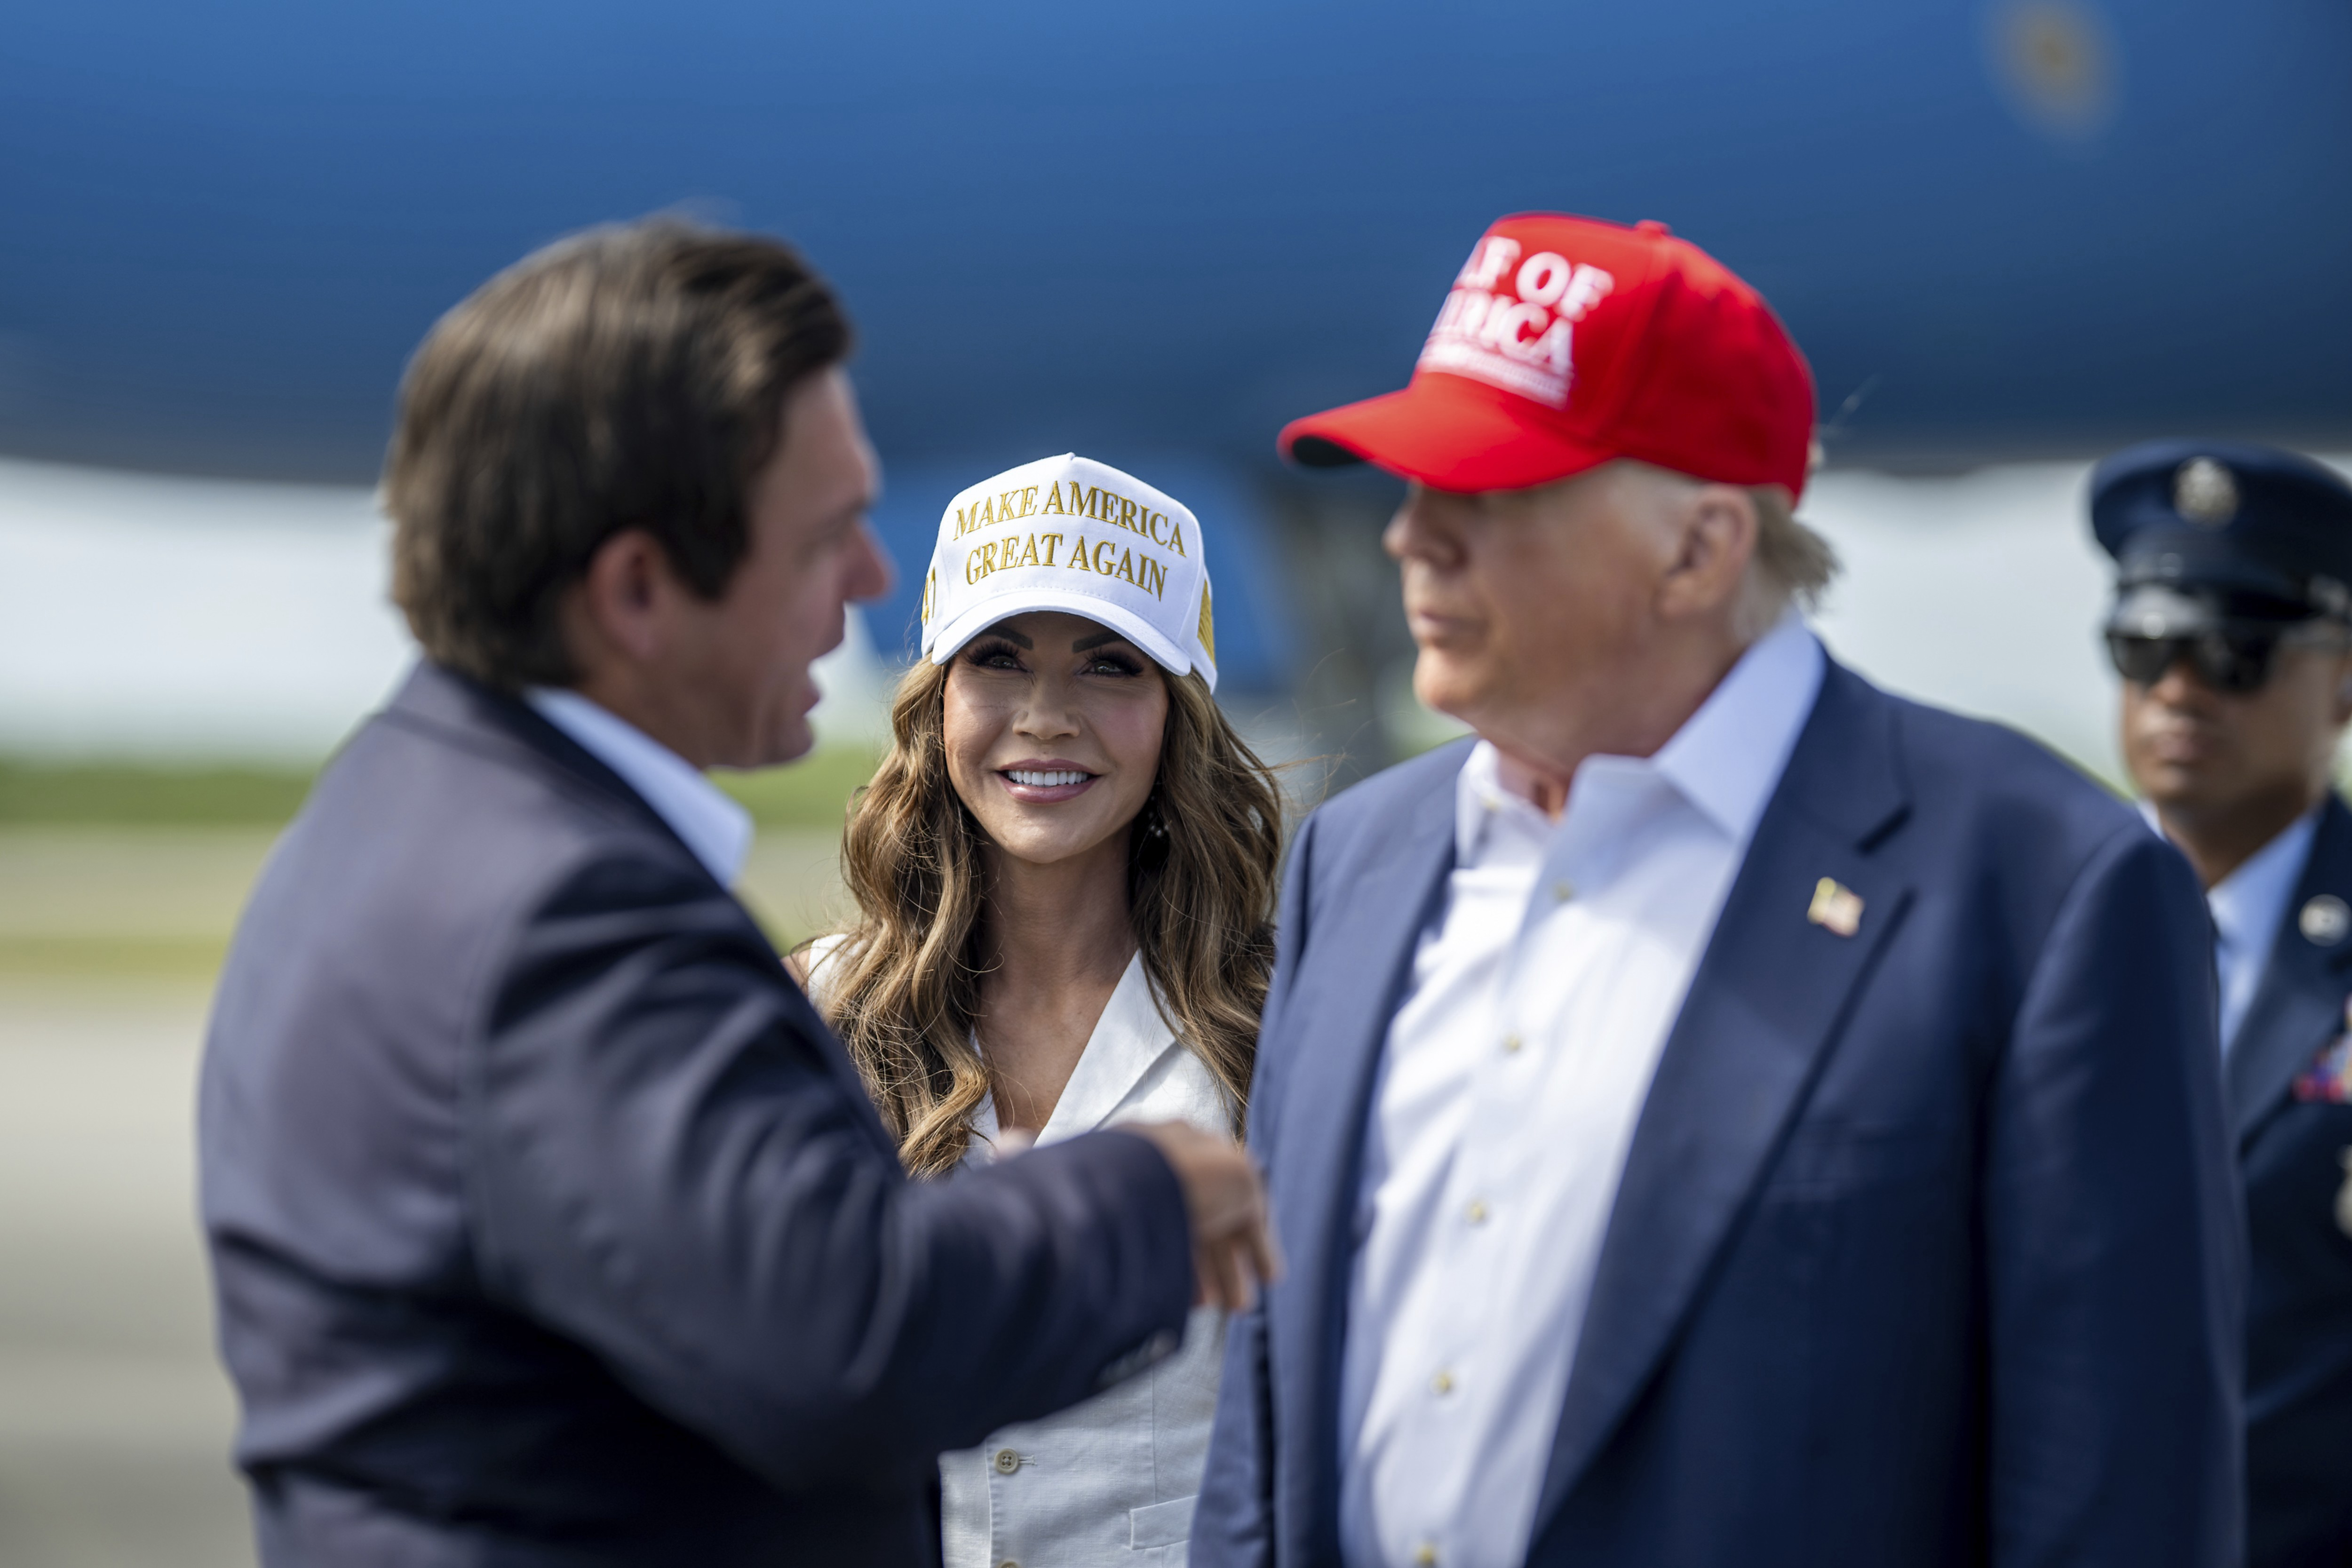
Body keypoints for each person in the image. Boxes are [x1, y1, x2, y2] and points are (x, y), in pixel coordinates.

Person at [196, 222, 1277, 1567]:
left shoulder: (397, 816)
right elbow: (843, 1336)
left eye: (1111, 666)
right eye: (825, 535)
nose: (873, 583)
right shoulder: (568, 915)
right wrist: (1146, 1198)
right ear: (643, 586)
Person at [1193, 212, 2245, 1568]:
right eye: (1408, 485)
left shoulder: (2044, 889)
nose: (1410, 537)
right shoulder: (1358, 856)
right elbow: (1263, 1429)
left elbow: (2120, 1502)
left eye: (1490, 491)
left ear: (1697, 550)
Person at [797, 453, 1285, 1566]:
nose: (1047, 716)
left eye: (1109, 666)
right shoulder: (816, 1013)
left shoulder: (1281, 1021)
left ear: (1177, 713)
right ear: (936, 700)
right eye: (999, 659)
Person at [2094, 438, 2352, 1568]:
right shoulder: (2020, 923)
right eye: (2144, 644)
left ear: (2343, 678)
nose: (2178, 688)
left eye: (2234, 650)